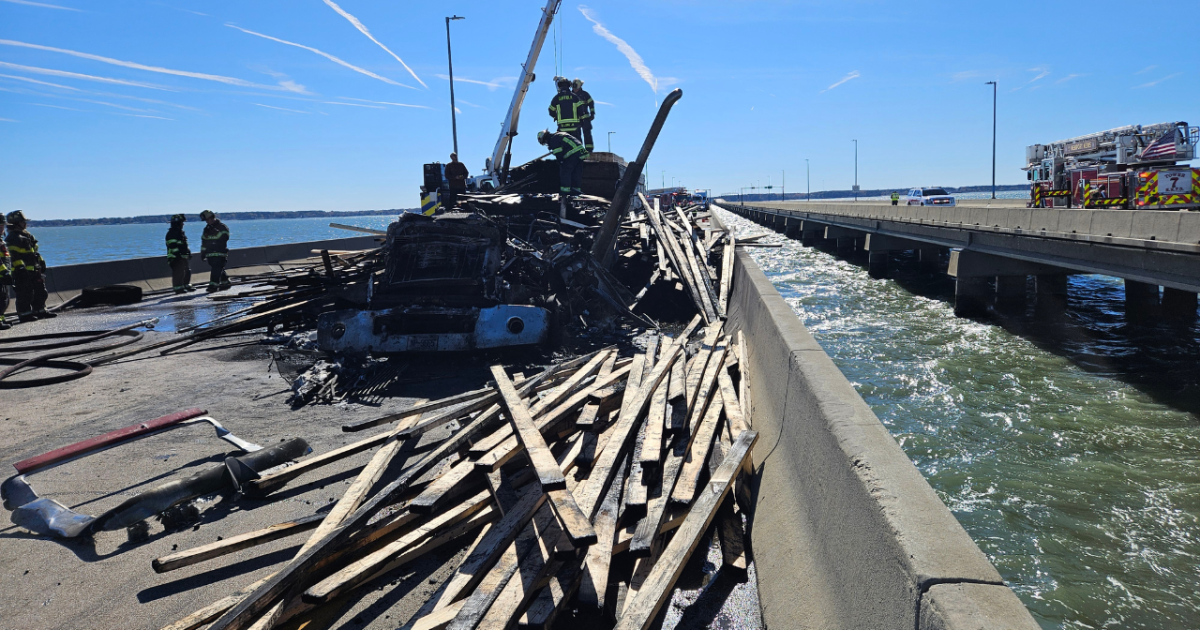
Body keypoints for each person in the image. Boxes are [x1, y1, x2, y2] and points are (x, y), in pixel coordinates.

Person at [4, 210, 54, 321]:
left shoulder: (27, 236)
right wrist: (20, 268)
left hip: (34, 270)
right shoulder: (12, 238)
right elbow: (13, 256)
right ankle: (25, 315)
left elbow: (34, 252)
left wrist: (41, 261)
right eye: (22, 221)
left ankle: (40, 311)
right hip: (22, 272)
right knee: (25, 294)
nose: (25, 224)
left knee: (40, 291)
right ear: (16, 223)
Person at [537, 129, 588, 197]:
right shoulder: (558, 135)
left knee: (565, 172)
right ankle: (576, 193)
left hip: (572, 155)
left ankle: (565, 193)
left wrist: (560, 162)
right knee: (576, 174)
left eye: (545, 141)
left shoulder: (553, 140)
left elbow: (559, 155)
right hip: (580, 154)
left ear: (545, 138)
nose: (546, 143)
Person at [199, 209, 231, 292]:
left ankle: (213, 286)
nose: (207, 222)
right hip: (210, 253)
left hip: (220, 252)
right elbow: (204, 241)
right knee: (218, 268)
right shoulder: (206, 229)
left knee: (216, 268)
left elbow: (224, 237)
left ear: (212, 217)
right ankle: (225, 282)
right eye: (206, 220)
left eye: (208, 220)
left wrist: (213, 241)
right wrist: (203, 252)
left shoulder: (222, 227)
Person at [166, 214, 194, 294]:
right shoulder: (171, 233)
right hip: (175, 257)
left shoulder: (180, 233)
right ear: (177, 223)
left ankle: (185, 285)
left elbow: (183, 245)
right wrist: (178, 256)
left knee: (187, 271)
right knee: (178, 272)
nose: (183, 224)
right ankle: (178, 288)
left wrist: (188, 253)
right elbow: (173, 246)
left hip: (182, 257)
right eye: (182, 222)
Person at [547, 77, 583, 141]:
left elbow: (551, 110)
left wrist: (556, 116)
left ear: (559, 86)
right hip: (574, 127)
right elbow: (581, 110)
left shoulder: (556, 98)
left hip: (562, 128)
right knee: (577, 145)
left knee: (563, 146)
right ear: (569, 86)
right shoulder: (574, 97)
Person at [571, 78, 595, 151]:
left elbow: (591, 103)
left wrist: (592, 113)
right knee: (577, 135)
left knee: (587, 134)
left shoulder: (585, 94)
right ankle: (580, 150)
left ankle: (589, 150)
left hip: (585, 118)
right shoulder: (570, 95)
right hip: (575, 119)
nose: (575, 89)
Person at [0, 216, 11, 330]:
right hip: (1, 275)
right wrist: (4, 272)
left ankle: (2, 319)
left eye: (2, 226)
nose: (1, 229)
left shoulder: (1, 241)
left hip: (3, 276)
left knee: (4, 299)